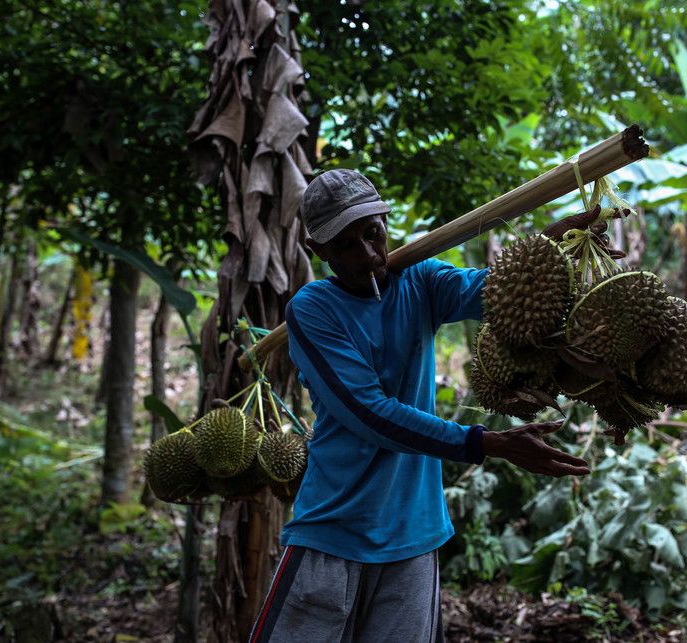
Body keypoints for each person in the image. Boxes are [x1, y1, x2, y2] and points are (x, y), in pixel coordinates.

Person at [249, 169, 594, 643]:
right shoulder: (313, 309)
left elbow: (497, 290)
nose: (369, 254)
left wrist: (550, 252)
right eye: (347, 245)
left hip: (414, 535)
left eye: (373, 233)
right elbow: (372, 413)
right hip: (333, 533)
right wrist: (486, 442)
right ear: (319, 252)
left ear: (384, 220)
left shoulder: (422, 281)